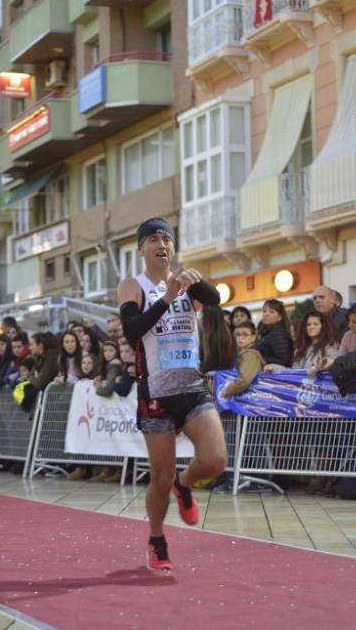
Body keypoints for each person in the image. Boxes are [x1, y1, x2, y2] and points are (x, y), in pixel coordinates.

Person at [117, 218, 227, 574]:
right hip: (157, 393)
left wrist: (196, 280)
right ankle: (156, 538)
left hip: (192, 387)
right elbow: (133, 331)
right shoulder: (133, 286)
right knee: (159, 476)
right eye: (153, 239)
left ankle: (186, 483)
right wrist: (167, 296)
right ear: (141, 248)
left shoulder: (184, 281)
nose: (161, 244)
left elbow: (215, 299)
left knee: (215, 461)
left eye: (166, 238)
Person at [220, 321, 265, 398]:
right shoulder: (243, 353)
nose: (240, 338)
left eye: (245, 335)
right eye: (238, 335)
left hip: (249, 398)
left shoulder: (251, 355)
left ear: (253, 337)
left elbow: (244, 380)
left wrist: (227, 390)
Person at [255, 299, 293, 367]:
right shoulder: (264, 332)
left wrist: (261, 358)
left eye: (271, 312)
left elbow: (284, 360)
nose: (266, 314)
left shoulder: (279, 333)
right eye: (264, 311)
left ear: (280, 317)